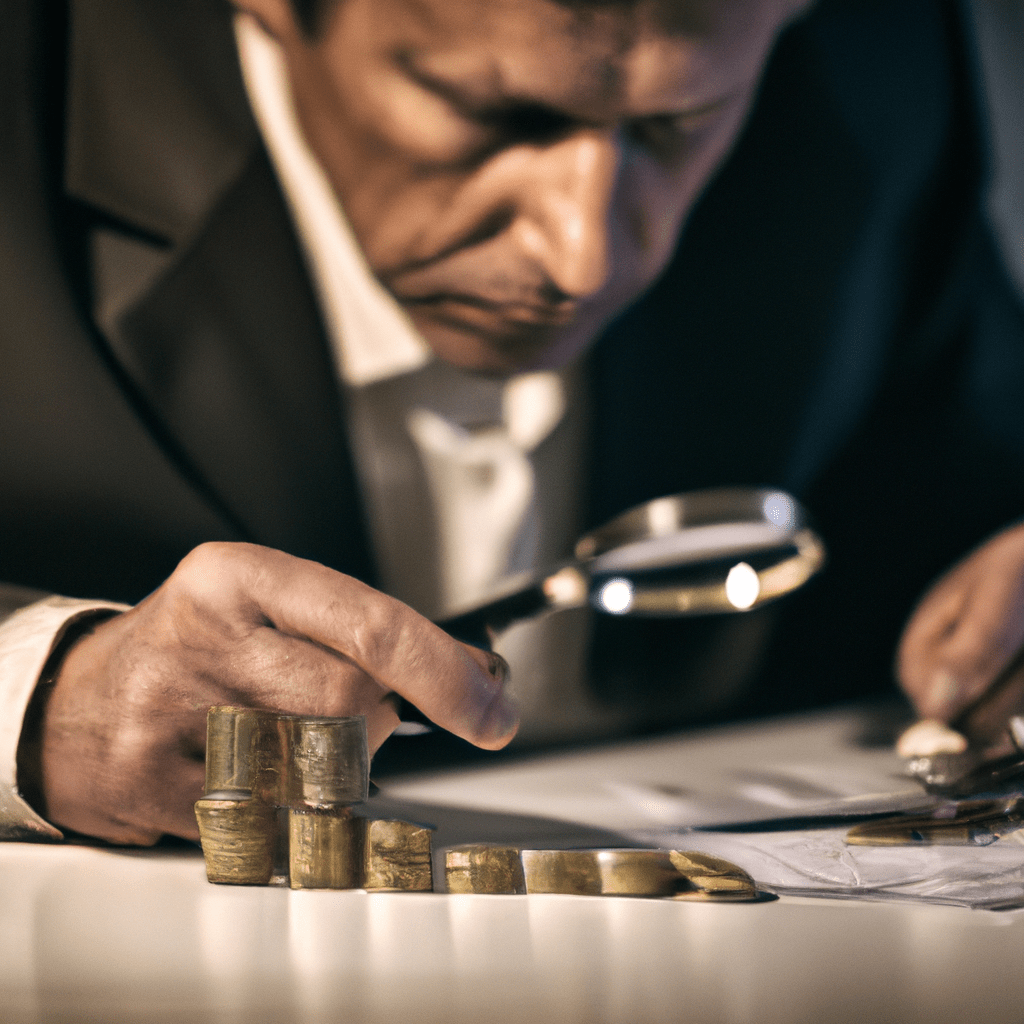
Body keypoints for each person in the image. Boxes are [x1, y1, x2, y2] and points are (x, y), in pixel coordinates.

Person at [2, 0, 1023, 845]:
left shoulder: (875, 63)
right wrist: (44, 699)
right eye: (491, 111)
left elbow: (973, 487)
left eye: (680, 119)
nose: (581, 257)